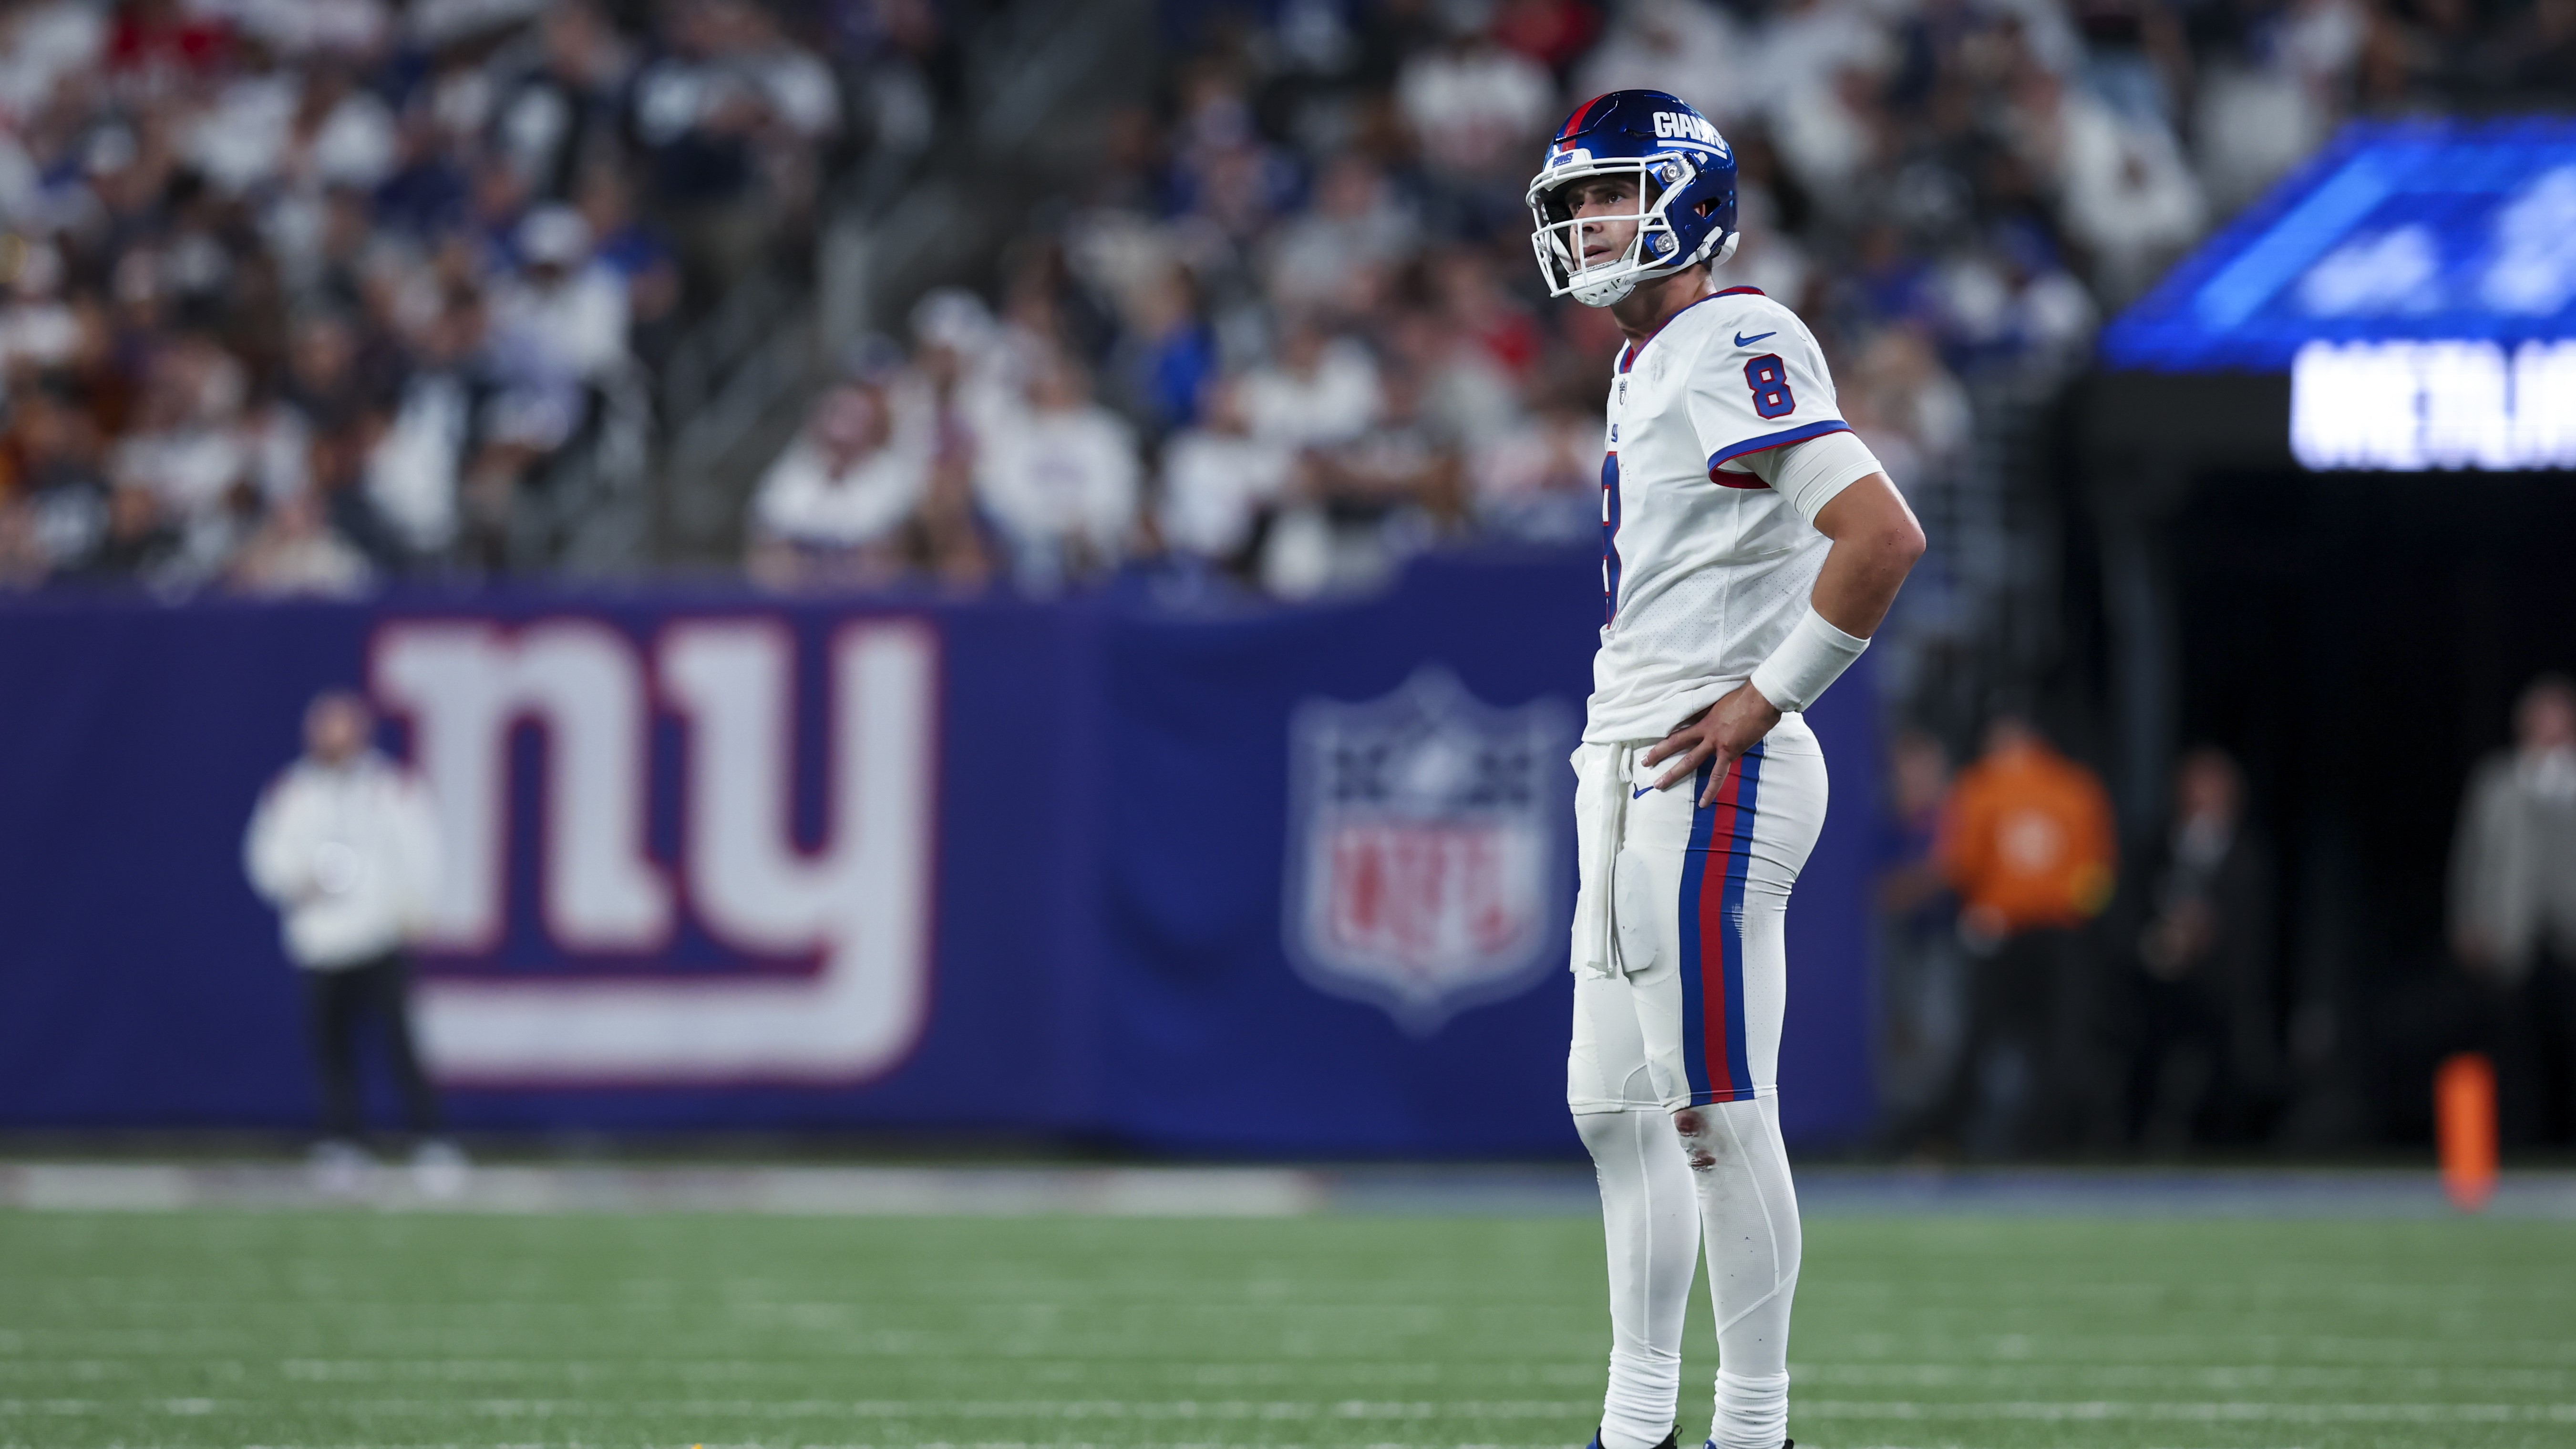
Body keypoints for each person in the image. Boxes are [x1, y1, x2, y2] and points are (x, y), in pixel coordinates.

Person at [1541, 92, 1925, 1449]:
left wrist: (1767, 697)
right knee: (1613, 1107)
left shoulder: (1731, 332)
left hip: (1715, 757)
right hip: (1631, 751)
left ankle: (1754, 1427)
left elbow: (1879, 534)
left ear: (1689, 198)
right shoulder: (1654, 357)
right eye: (1576, 203)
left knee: (1708, 1099)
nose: (1589, 222)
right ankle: (1634, 1423)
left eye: (1613, 194)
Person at [243, 690, 461, 1197]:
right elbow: (265, 853)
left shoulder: (390, 788)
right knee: (330, 1043)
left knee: (398, 1040)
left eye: (342, 727)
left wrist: (414, 907)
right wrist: (294, 881)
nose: (333, 738)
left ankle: (430, 1137)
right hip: (319, 938)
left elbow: (422, 848)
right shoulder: (292, 791)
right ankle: (343, 1138)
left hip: (377, 931)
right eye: (325, 727)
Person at [1931, 714, 2119, 1155]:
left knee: (1983, 1038)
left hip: (2000, 931)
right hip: (2060, 934)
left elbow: (1961, 865)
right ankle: (2050, 1138)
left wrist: (1984, 905)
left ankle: (1955, 1138)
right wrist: (2071, 910)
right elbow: (2098, 875)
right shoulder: (2077, 786)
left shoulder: (1981, 784)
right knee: (2059, 1039)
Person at [2123, 747, 2277, 1148]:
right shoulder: (2158, 846)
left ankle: (2223, 1138)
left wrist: (2207, 933)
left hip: (2223, 987)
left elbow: (2252, 932)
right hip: (2162, 985)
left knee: (2231, 1060)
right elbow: (2135, 908)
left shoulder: (2249, 857)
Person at [2449, 674, 2576, 1146]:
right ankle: (2517, 1140)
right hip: (2511, 934)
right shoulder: (2498, 782)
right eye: (2541, 718)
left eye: (2558, 718)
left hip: (2570, 936)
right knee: (2513, 1049)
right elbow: (2471, 855)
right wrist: (2466, 921)